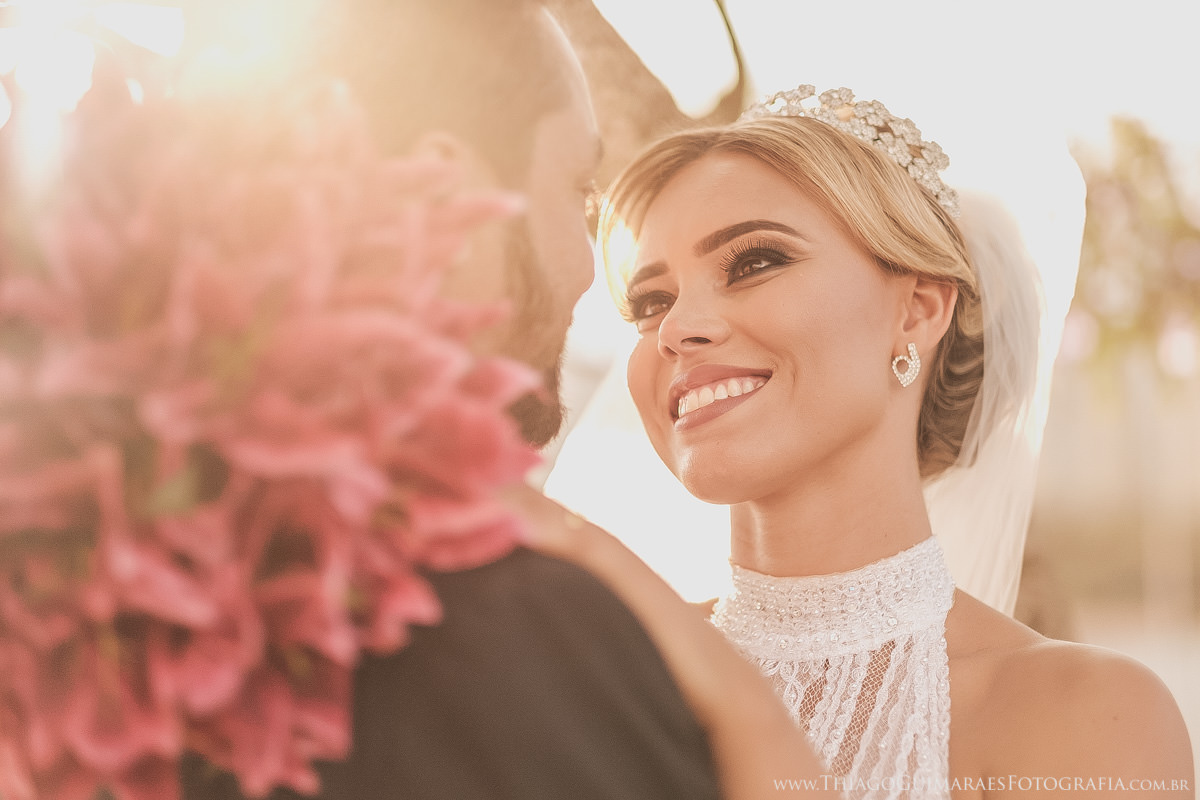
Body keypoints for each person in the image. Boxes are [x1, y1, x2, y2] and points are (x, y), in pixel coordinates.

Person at [516, 86, 1195, 797]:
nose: (676, 329)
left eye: (754, 262)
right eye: (652, 302)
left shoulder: (1088, 714)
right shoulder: (594, 678)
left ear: (917, 312)